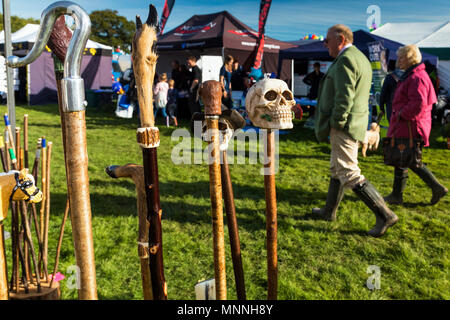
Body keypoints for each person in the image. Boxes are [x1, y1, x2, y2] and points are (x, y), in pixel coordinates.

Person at [313, 24, 398, 237]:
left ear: (340, 39)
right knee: (337, 167)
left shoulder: (347, 59)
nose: (325, 44)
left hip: (345, 125)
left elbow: (345, 96)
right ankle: (328, 212)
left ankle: (385, 215)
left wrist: (337, 122)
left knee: (348, 171)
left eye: (327, 40)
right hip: (353, 123)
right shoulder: (359, 57)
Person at [384, 45, 448, 205]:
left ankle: (437, 188)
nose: (398, 61)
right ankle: (396, 195)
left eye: (400, 57)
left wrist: (400, 114)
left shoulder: (416, 77)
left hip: (410, 126)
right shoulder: (413, 75)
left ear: (409, 58)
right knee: (403, 159)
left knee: (411, 160)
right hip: (407, 125)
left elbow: (418, 104)